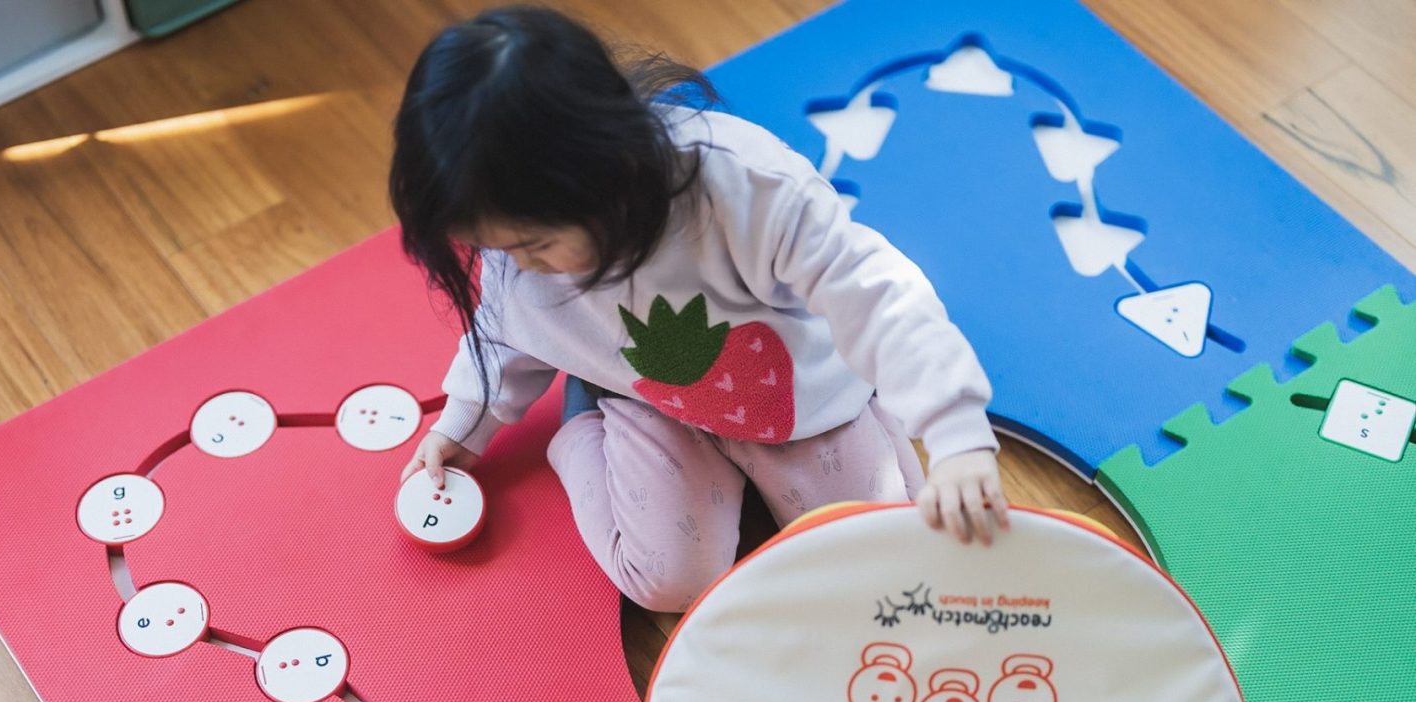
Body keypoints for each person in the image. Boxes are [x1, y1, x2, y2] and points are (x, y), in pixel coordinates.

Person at [393, 5, 1009, 613]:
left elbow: (877, 293)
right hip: (646, 398)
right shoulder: (521, 260)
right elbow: (503, 328)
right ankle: (583, 418)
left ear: (605, 172)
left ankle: (873, 423)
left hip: (799, 399)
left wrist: (956, 436)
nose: (518, 265)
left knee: (879, 553)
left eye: (535, 246)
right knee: (668, 583)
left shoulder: (746, 190)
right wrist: (465, 425)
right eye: (493, 248)